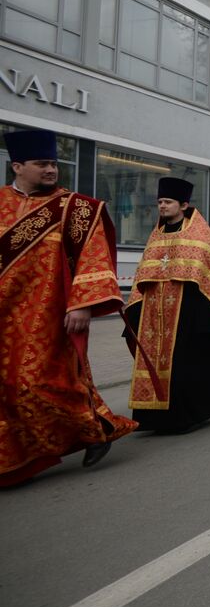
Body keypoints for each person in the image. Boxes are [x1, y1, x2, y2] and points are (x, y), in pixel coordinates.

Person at [1, 129, 137, 485]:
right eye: (41, 163)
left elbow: (93, 255)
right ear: (17, 166)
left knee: (38, 384)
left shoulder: (74, 208)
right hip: (4, 312)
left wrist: (82, 304)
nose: (50, 170)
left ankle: (95, 429)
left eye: (53, 163)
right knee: (6, 389)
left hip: (48, 313)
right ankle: (18, 456)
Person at [126, 177, 210, 432]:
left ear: (183, 205)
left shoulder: (201, 234)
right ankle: (154, 417)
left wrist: (205, 316)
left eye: (168, 202)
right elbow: (144, 274)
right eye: (160, 202)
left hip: (188, 313)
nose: (162, 206)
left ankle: (186, 416)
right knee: (155, 363)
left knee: (186, 366)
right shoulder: (156, 236)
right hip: (155, 314)